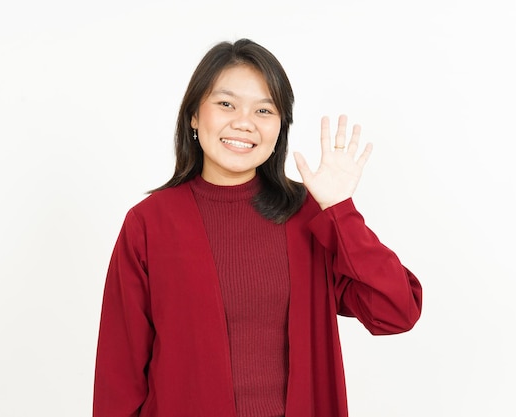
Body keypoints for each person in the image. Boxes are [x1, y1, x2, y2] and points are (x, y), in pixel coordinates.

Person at [93, 38, 422, 417]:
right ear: (194, 116)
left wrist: (339, 212)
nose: (244, 122)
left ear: (280, 127)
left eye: (264, 110)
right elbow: (119, 377)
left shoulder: (308, 215)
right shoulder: (149, 223)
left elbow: (398, 311)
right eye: (226, 104)